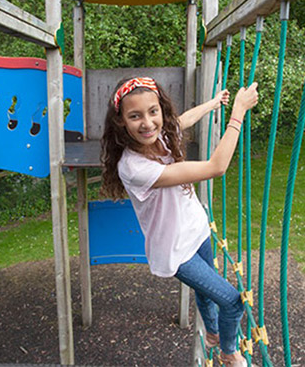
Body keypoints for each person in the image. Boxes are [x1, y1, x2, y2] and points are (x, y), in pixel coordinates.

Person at [100, 76, 258, 367]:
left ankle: (212, 333)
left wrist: (213, 104)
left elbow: (182, 120)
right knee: (232, 301)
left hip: (197, 228)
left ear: (161, 110)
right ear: (121, 121)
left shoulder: (158, 135)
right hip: (176, 250)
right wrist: (238, 112)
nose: (147, 123)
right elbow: (216, 167)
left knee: (205, 293)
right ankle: (228, 351)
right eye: (135, 116)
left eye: (153, 112)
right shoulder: (134, 167)